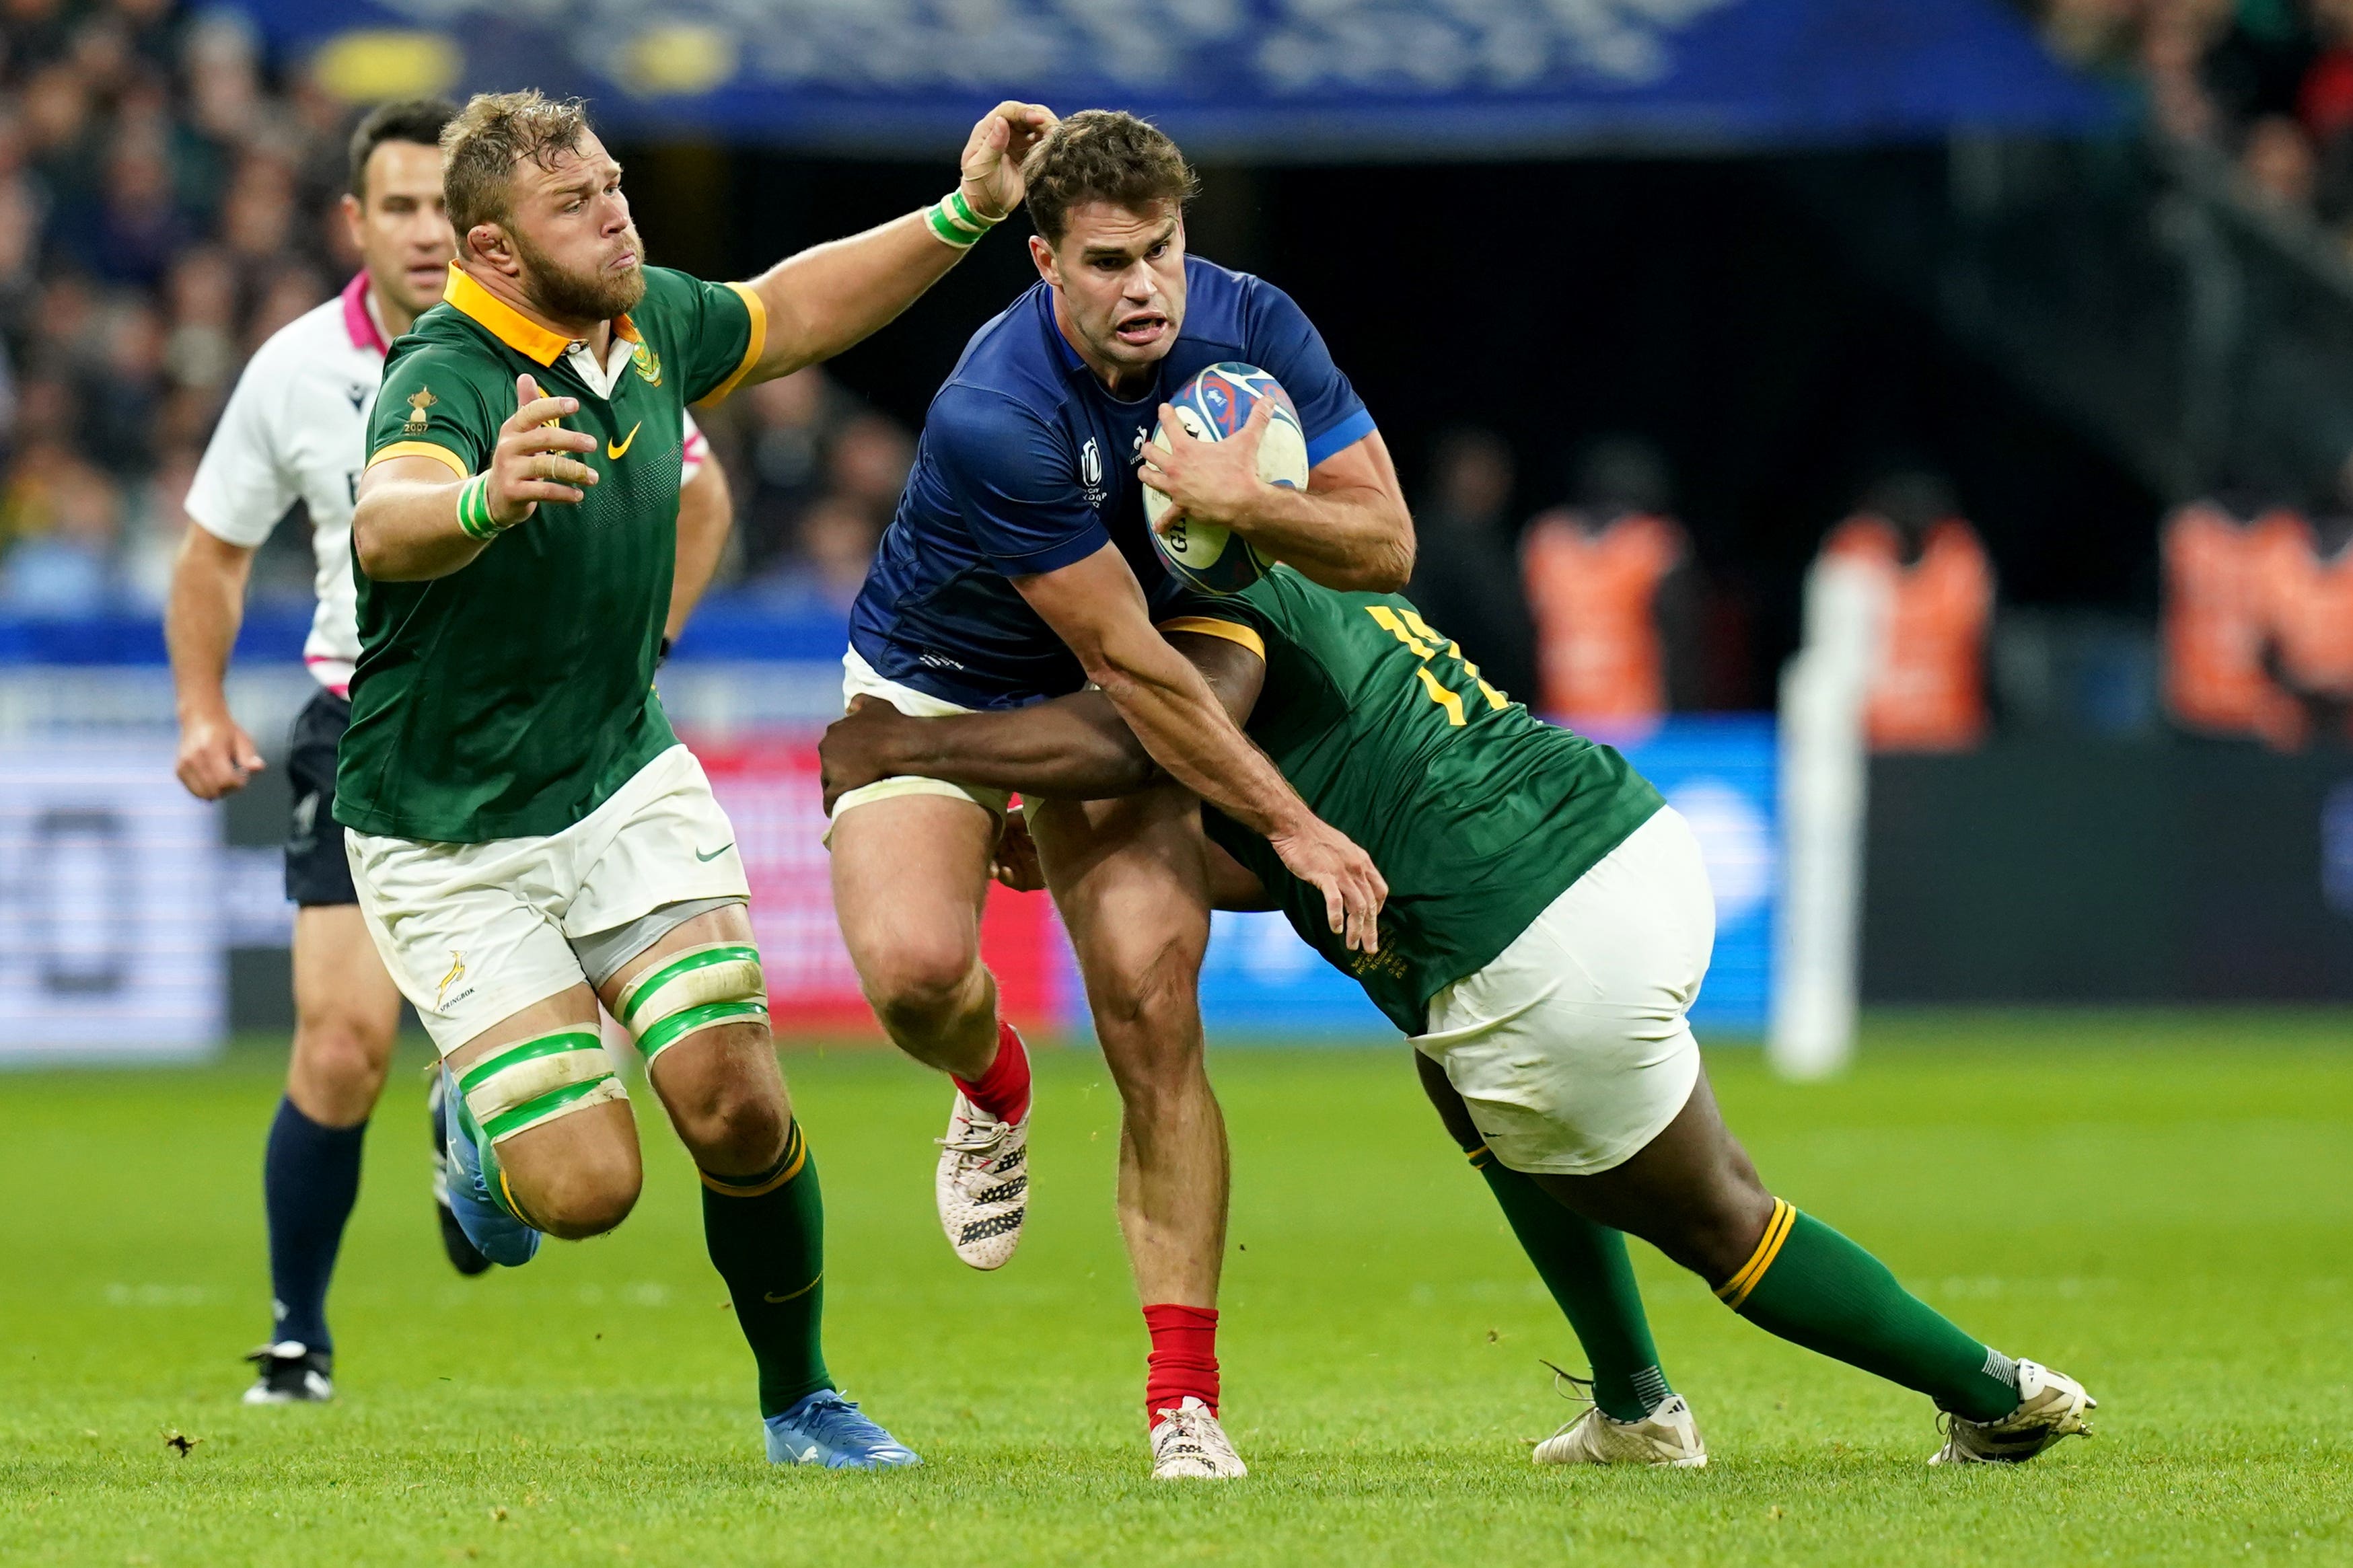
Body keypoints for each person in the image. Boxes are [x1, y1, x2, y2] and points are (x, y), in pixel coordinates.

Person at [819, 565, 2100, 1469]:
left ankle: (1992, 1392)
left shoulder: (1205, 615)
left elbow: (1133, 739)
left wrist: (919, 751)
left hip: (1528, 942)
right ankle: (1633, 1410)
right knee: (1460, 1082)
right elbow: (1299, 860)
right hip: (1624, 837)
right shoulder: (1324, 568)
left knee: (1719, 1216)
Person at [345, 89, 1053, 1468]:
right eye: (577, 203)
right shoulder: (447, 372)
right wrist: (480, 498)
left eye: (612, 184)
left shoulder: (645, 320)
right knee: (590, 1190)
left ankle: (803, 1400)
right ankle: (482, 1130)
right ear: (493, 251)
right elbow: (386, 525)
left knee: (736, 1098)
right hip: (445, 833)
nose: (615, 210)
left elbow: (791, 309)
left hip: (616, 778)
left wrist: (967, 209)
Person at [828, 110, 1409, 1479]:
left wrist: (1244, 502)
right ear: (1043, 261)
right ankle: (994, 1078)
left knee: (1153, 994)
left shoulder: (1253, 323)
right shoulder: (998, 410)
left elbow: (1383, 541)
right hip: (951, 676)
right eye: (1107, 260)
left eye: (1163, 249)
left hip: (1174, 636)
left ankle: (1183, 1401)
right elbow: (1116, 666)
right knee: (917, 971)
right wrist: (1289, 823)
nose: (1145, 286)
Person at [167, 100, 731, 1406]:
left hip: (543, 730)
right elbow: (212, 549)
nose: (425, 231)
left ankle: (481, 1101)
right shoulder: (298, 367)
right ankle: (298, 1335)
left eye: (442, 207)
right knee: (341, 1043)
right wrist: (202, 706)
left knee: (598, 1090)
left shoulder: (570, 338)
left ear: (482, 235)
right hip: (360, 722)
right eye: (400, 207)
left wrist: (641, 641)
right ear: (356, 223)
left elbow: (697, 487)